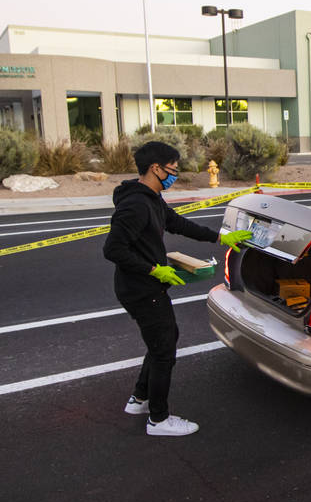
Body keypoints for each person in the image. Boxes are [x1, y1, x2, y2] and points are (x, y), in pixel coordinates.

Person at [102, 141, 251, 436]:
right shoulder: (135, 205)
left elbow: (177, 223)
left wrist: (220, 237)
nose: (175, 174)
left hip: (145, 286)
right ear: (155, 168)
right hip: (141, 289)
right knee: (164, 350)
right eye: (172, 168)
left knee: (160, 343)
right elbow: (113, 249)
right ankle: (158, 420)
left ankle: (139, 399)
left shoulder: (151, 198)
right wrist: (153, 269)